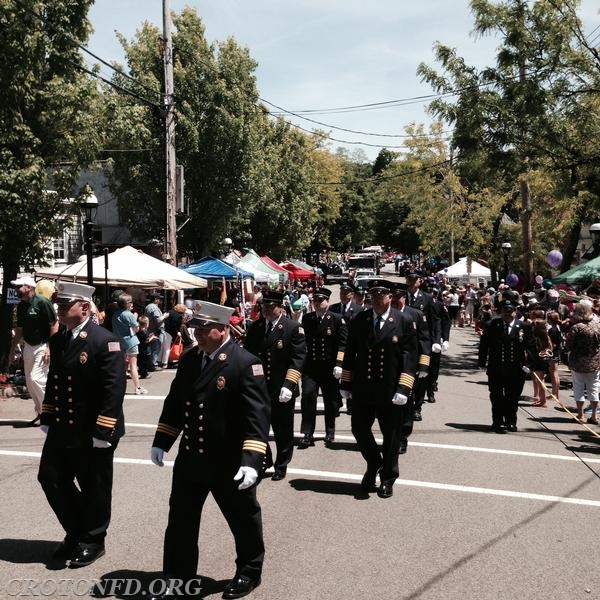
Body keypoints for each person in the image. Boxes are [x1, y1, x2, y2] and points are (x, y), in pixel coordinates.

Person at [149, 301, 271, 600]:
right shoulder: (192, 359)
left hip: (228, 460)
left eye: (205, 330)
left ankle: (248, 572)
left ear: (223, 329)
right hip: (191, 458)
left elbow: (257, 416)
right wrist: (162, 440)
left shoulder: (244, 362)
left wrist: (252, 460)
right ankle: (178, 578)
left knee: (243, 520)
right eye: (196, 329)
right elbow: (176, 402)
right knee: (180, 521)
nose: (199, 335)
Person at [38, 281, 126, 568]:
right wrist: (48, 415)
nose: (60, 309)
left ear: (85, 307)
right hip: (63, 425)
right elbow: (55, 381)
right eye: (59, 305)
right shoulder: (59, 339)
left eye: (65, 305)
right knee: (50, 477)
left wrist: (104, 429)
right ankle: (76, 531)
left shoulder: (105, 340)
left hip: (93, 428)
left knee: (94, 486)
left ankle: (93, 539)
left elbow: (113, 389)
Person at [340, 279, 418, 499]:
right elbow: (350, 351)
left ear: (389, 297)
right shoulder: (361, 319)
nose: (375, 299)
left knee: (392, 437)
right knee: (359, 429)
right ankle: (374, 462)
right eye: (372, 295)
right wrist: (346, 382)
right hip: (364, 387)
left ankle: (387, 477)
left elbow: (409, 359)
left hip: (390, 389)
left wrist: (404, 388)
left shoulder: (403, 320)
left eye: (380, 295)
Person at [244, 289, 306, 481]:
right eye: (264, 306)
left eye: (271, 306)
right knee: (258, 429)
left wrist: (289, 384)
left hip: (282, 389)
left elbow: (298, 359)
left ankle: (282, 463)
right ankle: (266, 460)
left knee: (282, 430)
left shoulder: (293, 328)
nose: (267, 310)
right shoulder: (255, 328)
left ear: (280, 307)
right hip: (260, 388)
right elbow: (248, 357)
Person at [298, 287, 347, 448]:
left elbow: (342, 344)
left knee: (331, 401)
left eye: (320, 300)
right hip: (311, 367)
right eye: (315, 300)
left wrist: (339, 364)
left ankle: (330, 431)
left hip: (329, 367)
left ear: (327, 301)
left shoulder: (337, 319)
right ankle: (307, 433)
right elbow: (302, 342)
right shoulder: (307, 319)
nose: (317, 303)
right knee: (307, 397)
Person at [9, 276, 59, 425]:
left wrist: (50, 347)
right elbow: (19, 329)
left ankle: (50, 412)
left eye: (19, 287)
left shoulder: (43, 302)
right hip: (28, 346)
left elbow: (54, 325)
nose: (16, 290)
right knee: (30, 382)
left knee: (37, 378)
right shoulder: (22, 306)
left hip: (43, 346)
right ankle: (40, 412)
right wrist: (13, 349)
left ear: (29, 287)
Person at [478, 295, 530, 433]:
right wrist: (482, 362)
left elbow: (531, 348)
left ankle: (510, 421)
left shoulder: (524, 327)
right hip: (496, 368)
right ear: (500, 311)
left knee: (512, 398)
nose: (507, 313)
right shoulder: (492, 325)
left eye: (510, 311)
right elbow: (484, 345)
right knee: (496, 397)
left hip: (516, 370)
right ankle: (497, 422)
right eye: (504, 311)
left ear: (515, 311)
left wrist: (530, 365)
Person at [565, 300, 600, 423]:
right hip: (595, 362)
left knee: (578, 387)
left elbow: (568, 346)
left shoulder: (576, 328)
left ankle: (581, 415)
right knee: (594, 388)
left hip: (577, 362)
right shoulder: (598, 325)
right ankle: (594, 415)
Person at [112, 293, 147, 395]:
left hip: (119, 342)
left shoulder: (115, 314)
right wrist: (135, 317)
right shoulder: (129, 314)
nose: (132, 304)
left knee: (122, 366)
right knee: (133, 366)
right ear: (126, 304)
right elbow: (136, 328)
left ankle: (120, 387)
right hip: (130, 341)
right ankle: (137, 388)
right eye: (130, 302)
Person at [145, 292, 169, 370]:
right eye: (159, 299)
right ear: (155, 299)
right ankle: (153, 365)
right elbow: (158, 320)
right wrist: (165, 316)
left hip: (151, 330)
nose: (160, 301)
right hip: (156, 330)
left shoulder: (148, 306)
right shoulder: (154, 307)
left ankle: (151, 364)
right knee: (156, 348)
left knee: (152, 348)